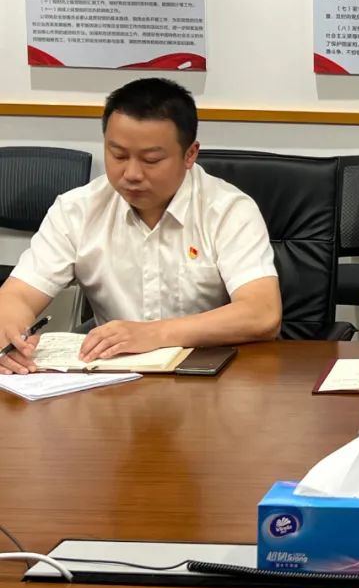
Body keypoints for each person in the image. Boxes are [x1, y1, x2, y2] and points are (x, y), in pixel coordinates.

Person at [0, 78, 282, 374]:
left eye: (151, 160)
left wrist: (155, 334)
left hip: (210, 375)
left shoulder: (228, 210)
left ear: (190, 154)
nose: (132, 174)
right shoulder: (77, 210)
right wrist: (9, 328)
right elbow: (17, 295)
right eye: (118, 155)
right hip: (110, 380)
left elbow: (262, 314)